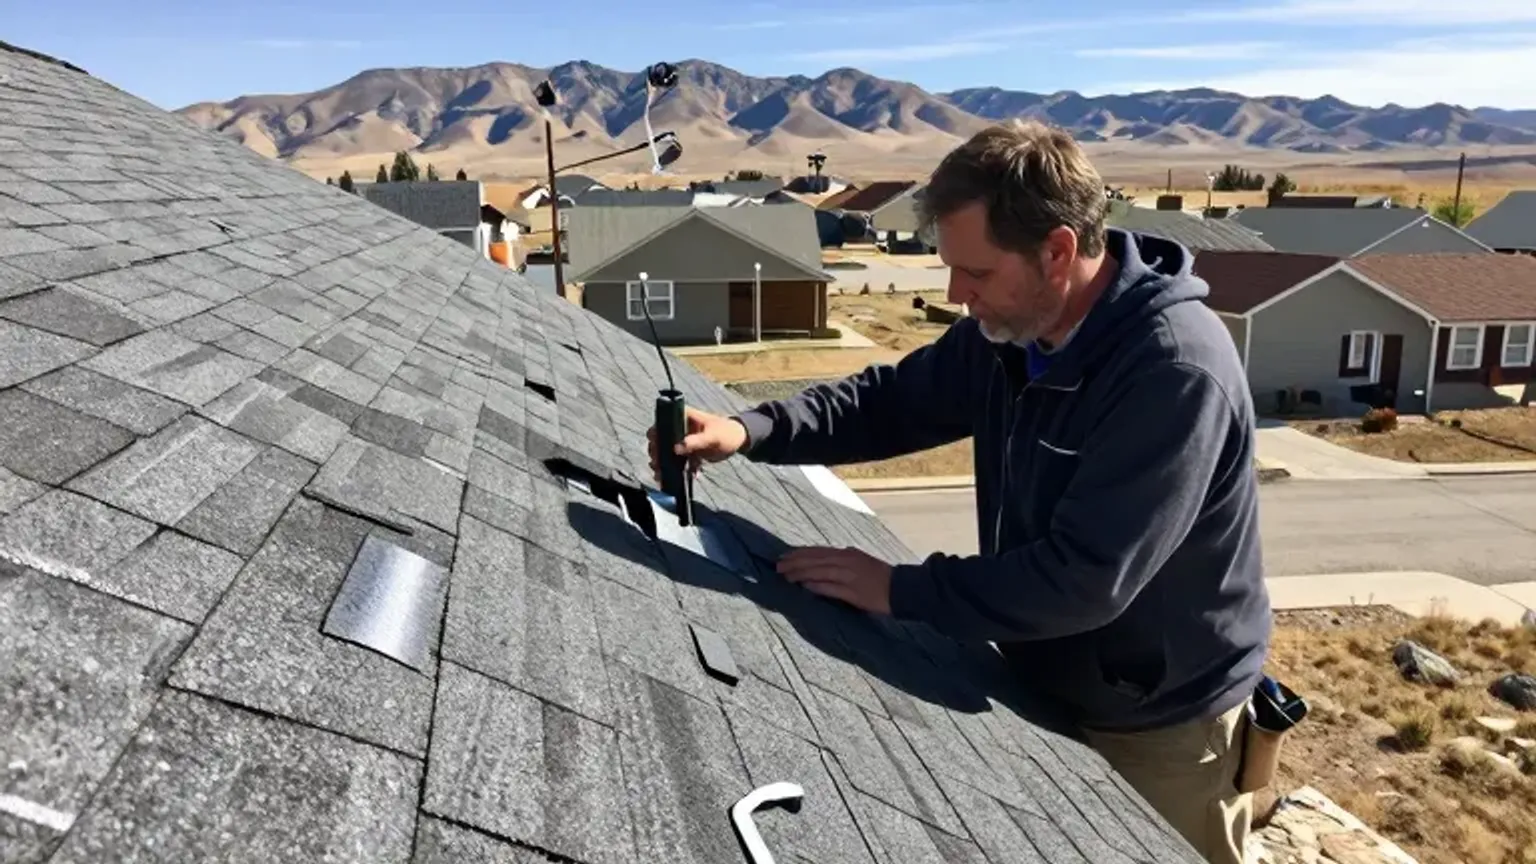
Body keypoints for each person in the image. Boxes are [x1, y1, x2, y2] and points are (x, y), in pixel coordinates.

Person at [646, 120, 1271, 864]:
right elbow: (892, 401)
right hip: (1045, 679)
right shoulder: (1016, 330)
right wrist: (752, 430)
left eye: (974, 273)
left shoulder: (1171, 373)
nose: (954, 293)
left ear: (1058, 251)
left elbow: (1084, 579)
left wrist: (901, 589)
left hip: (1160, 726)